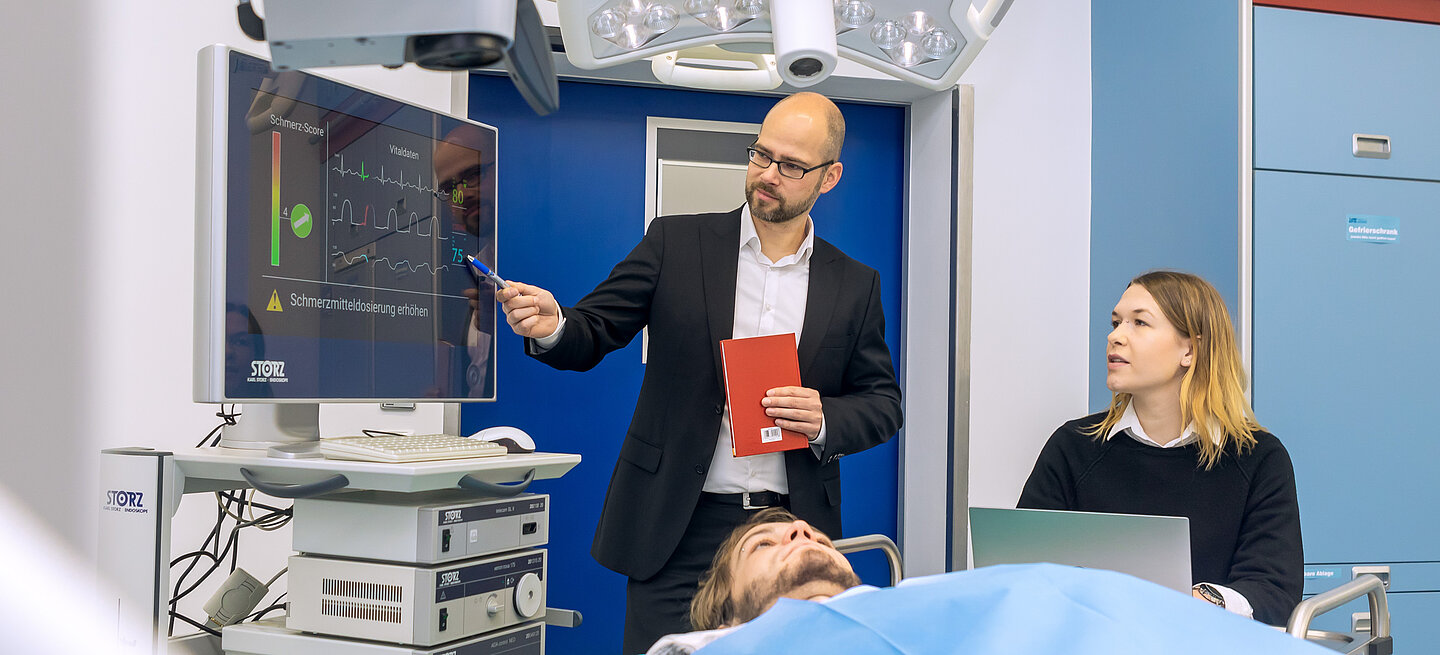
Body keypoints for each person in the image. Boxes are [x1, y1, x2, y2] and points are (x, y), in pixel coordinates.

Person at [495, 91, 904, 651]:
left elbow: (883, 404)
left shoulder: (855, 284)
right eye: (761, 155)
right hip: (675, 525)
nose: (767, 175)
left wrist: (825, 416)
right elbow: (595, 329)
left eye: (790, 166)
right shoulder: (676, 242)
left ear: (828, 177)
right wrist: (554, 326)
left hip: (787, 530)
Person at [1019, 270, 1303, 625]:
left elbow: (1273, 589)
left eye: (1139, 323)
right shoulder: (1074, 446)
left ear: (1189, 349)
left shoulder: (1258, 458)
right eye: (1116, 322)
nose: (1115, 336)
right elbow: (1023, 568)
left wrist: (1195, 600)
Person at [650, 507, 1329, 655]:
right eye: (764, 545)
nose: (799, 533)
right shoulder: (731, 644)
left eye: (809, 531)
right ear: (730, 612)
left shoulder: (916, 602)